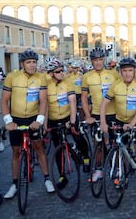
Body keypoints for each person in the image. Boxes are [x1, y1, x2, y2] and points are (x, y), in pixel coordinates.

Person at [1, 49, 55, 199]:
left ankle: (47, 179)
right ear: (22, 64)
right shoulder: (12, 77)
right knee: (16, 152)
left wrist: (39, 120)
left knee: (39, 148)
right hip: (15, 119)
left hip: (32, 118)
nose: (32, 65)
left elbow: (43, 101)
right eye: (28, 62)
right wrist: (8, 121)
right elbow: (4, 100)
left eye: (34, 62)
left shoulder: (40, 78)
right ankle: (14, 184)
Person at [44, 57, 91, 189]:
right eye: (58, 71)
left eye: (62, 70)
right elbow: (45, 104)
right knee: (58, 148)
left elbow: (72, 101)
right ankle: (62, 175)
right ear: (51, 73)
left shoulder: (67, 83)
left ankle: (86, 157)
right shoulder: (47, 86)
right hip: (54, 119)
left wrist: (72, 120)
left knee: (77, 137)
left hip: (68, 116)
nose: (62, 73)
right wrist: (45, 124)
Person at [81, 47, 119, 182]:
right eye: (95, 60)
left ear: (104, 60)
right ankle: (98, 170)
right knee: (98, 144)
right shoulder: (86, 76)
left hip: (113, 113)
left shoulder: (113, 74)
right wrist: (88, 116)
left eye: (100, 59)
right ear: (91, 61)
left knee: (115, 143)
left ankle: (118, 169)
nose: (98, 63)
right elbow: (84, 98)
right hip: (96, 114)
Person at [100, 57, 136, 169]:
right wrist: (103, 122)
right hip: (120, 120)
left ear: (134, 71)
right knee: (119, 148)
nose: (127, 74)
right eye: (124, 71)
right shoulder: (115, 85)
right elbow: (104, 103)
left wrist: (132, 124)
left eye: (130, 70)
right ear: (120, 72)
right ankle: (121, 174)